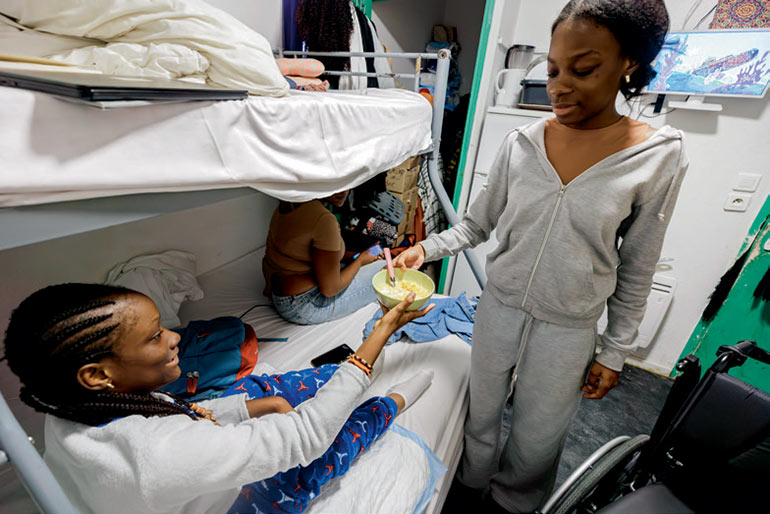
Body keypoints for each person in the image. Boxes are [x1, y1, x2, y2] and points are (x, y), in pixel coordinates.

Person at [394, 1, 687, 512]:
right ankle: (466, 493)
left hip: (569, 328)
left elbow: (638, 266)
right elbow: (476, 224)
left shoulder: (658, 156)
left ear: (629, 65)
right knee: (479, 416)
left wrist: (615, 351)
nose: (559, 86)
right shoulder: (522, 143)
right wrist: (425, 247)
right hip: (499, 306)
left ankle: (513, 505)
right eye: (552, 69)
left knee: (537, 437)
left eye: (584, 69)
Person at [2, 283, 434, 514]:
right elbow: (309, 436)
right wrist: (379, 333)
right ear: (97, 375)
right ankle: (389, 403)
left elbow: (180, 414)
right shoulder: (156, 458)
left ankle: (336, 377)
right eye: (155, 337)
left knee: (272, 389)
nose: (174, 338)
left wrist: (256, 407)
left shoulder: (68, 410)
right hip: (234, 502)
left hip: (187, 448)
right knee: (334, 442)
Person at [263, 190, 384, 325]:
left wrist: (359, 257)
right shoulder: (323, 219)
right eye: (336, 183)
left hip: (280, 296)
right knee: (382, 268)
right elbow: (330, 289)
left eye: (347, 184)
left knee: (367, 260)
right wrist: (361, 260)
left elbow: (322, 254)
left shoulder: (288, 204)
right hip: (305, 305)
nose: (344, 191)